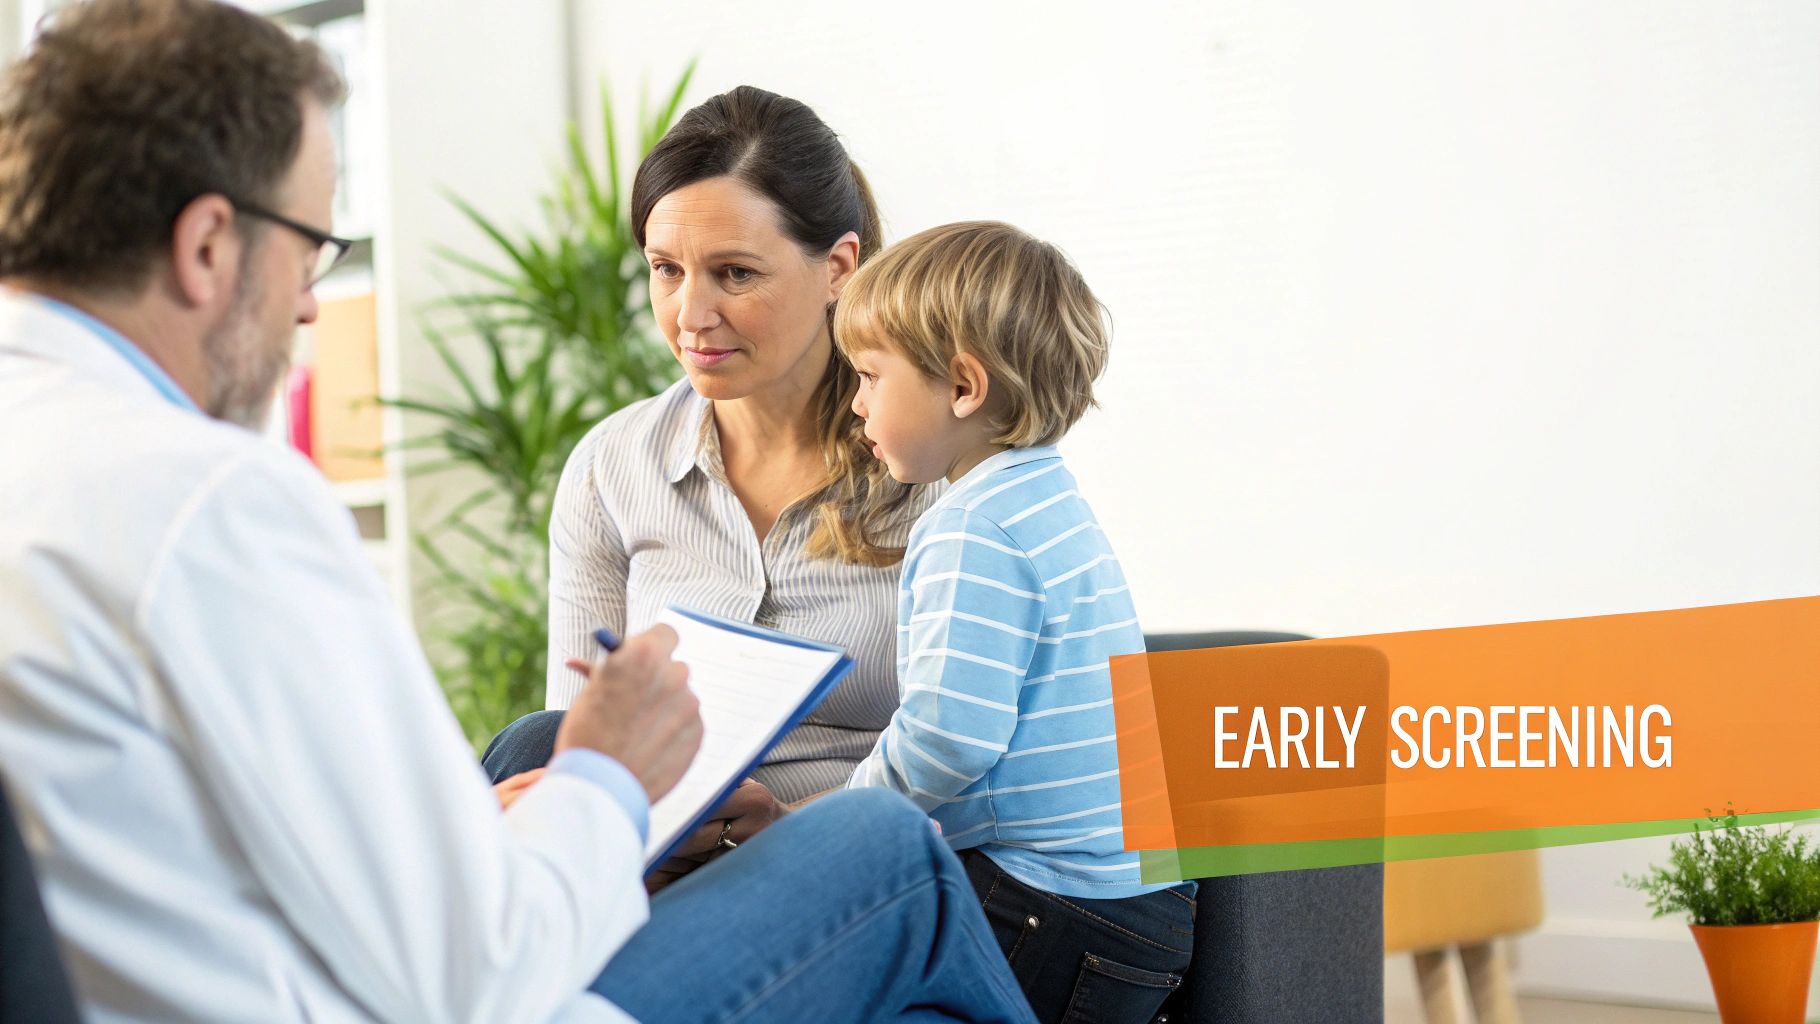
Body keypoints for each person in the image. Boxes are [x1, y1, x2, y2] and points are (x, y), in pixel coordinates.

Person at [0, 3, 1033, 1022]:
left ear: (837, 268)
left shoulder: (957, 461)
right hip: (535, 941)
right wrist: (594, 782)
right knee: (851, 845)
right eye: (313, 248)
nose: (312, 303)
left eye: (734, 274)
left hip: (742, 861)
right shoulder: (213, 501)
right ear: (209, 247)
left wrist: (552, 812)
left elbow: (1037, 733)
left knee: (868, 843)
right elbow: (473, 964)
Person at [484, 85, 938, 885]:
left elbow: (980, 763)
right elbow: (579, 727)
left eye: (733, 273)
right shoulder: (611, 467)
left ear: (838, 267)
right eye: (666, 270)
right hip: (658, 855)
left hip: (851, 867)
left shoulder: (939, 463)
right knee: (532, 746)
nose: (690, 315)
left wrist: (781, 829)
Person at [836, 221, 1198, 1022]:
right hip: (1136, 904)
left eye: (867, 376)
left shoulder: (972, 525)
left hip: (1052, 902)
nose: (856, 404)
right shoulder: (1044, 496)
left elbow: (950, 736)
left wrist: (844, 820)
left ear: (963, 387)